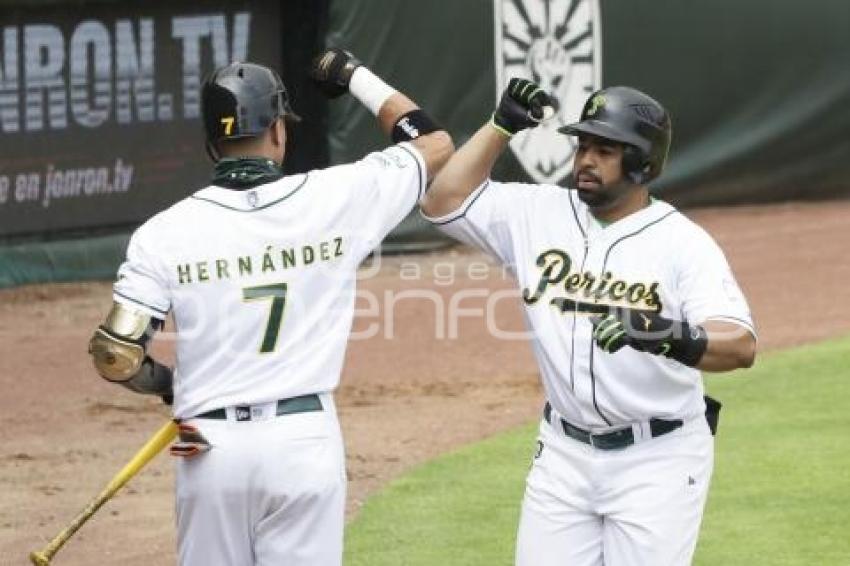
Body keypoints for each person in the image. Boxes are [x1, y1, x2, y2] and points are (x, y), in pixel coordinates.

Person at [87, 49, 452, 566]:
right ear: (279, 131)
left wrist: (170, 385)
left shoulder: (163, 233)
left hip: (207, 447)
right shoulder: (336, 196)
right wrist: (353, 77)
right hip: (304, 443)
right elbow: (434, 143)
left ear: (212, 142)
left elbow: (115, 356)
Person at [420, 79, 756, 565]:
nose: (585, 160)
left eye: (605, 150)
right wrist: (501, 127)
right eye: (582, 146)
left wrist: (663, 334)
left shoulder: (684, 243)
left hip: (657, 459)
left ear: (642, 161)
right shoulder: (537, 213)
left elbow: (740, 345)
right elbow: (441, 201)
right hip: (562, 453)